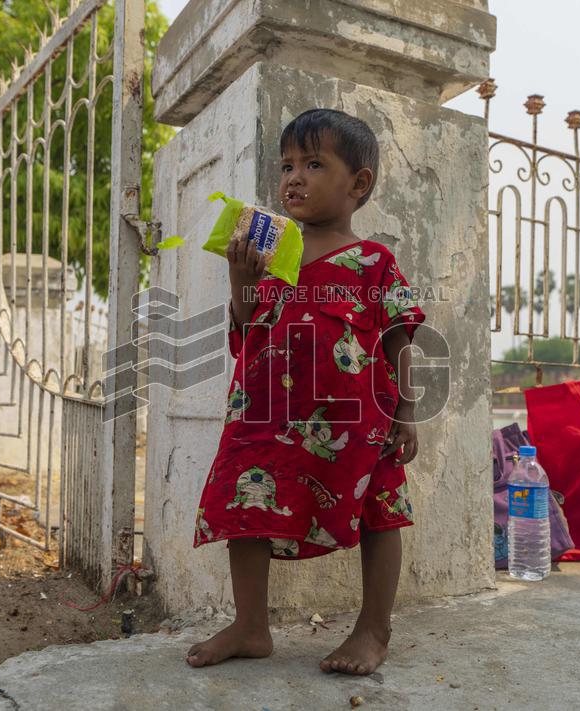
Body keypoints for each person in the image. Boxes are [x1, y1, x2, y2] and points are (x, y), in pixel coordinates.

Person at [186, 109, 426, 676]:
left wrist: (408, 412)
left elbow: (400, 338)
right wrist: (241, 280)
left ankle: (374, 629)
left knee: (380, 509)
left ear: (358, 184)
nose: (294, 177)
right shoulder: (270, 253)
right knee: (245, 498)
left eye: (314, 164)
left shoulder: (374, 262)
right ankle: (250, 626)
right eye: (287, 165)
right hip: (263, 413)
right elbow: (246, 333)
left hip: (356, 420)